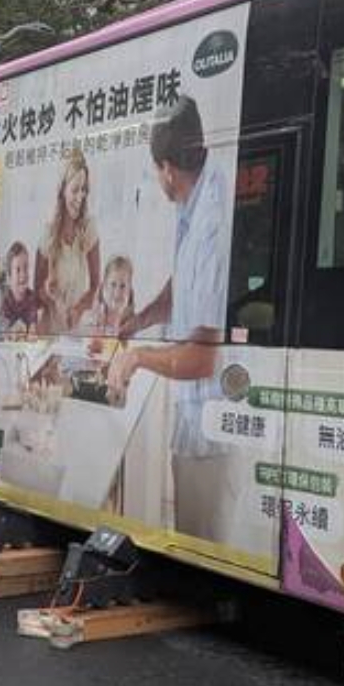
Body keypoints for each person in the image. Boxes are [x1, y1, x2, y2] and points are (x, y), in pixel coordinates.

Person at [106, 96, 238, 542]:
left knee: (198, 546)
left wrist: (136, 358)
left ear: (166, 168)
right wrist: (139, 319)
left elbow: (202, 361)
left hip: (207, 437)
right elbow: (183, 283)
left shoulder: (210, 226)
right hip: (196, 426)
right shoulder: (198, 191)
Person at [35, 149, 101, 333]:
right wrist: (50, 296)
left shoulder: (88, 228)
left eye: (84, 189)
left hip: (77, 329)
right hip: (50, 331)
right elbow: (37, 293)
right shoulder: (48, 233)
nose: (81, 197)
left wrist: (79, 309)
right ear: (62, 190)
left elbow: (96, 284)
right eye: (75, 190)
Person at [78, 255, 136, 337]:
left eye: (123, 286)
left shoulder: (133, 322)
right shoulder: (90, 318)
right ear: (104, 285)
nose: (117, 292)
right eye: (113, 284)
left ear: (129, 289)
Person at [0, 241, 40, 334]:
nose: (23, 274)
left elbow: (33, 328)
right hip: (9, 345)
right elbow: (0, 330)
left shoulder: (31, 298)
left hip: (26, 345)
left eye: (26, 268)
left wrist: (31, 330)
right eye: (18, 270)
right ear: (9, 275)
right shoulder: (6, 299)